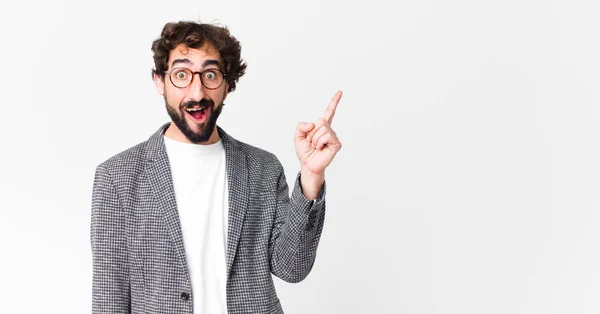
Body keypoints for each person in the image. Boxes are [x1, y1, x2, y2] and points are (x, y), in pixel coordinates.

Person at [90, 20, 342, 314]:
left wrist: (312, 176)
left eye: (210, 74)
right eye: (181, 74)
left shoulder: (262, 168)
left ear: (227, 84)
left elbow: (291, 268)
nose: (197, 93)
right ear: (159, 81)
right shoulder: (117, 177)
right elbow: (110, 296)